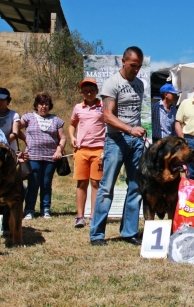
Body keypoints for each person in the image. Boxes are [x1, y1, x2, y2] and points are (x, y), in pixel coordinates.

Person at [90, 47, 146, 246]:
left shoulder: (140, 84)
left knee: (136, 186)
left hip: (136, 143)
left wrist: (137, 131)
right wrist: (130, 130)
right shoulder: (112, 83)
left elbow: (136, 112)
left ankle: (129, 232)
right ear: (123, 61)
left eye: (139, 66)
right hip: (116, 141)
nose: (136, 70)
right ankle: (97, 234)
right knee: (106, 188)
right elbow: (107, 116)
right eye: (133, 65)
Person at [19, 93, 66, 220]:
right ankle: (29, 209)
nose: (43, 107)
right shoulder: (28, 117)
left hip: (50, 158)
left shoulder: (56, 120)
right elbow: (16, 127)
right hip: (33, 156)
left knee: (46, 183)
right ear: (36, 105)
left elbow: (62, 138)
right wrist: (25, 139)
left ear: (50, 106)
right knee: (33, 183)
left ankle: (46, 209)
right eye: (40, 104)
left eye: (46, 104)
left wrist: (59, 150)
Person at [69, 78, 105, 228]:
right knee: (82, 182)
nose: (88, 93)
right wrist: (72, 137)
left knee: (96, 183)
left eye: (91, 91)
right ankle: (79, 216)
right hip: (81, 150)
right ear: (82, 92)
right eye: (85, 91)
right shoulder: (78, 107)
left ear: (97, 91)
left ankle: (93, 216)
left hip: (99, 149)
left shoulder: (104, 106)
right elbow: (72, 124)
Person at [0, 88, 22, 152]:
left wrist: (0, 142)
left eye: (2, 99)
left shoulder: (14, 115)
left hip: (9, 150)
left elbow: (15, 134)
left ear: (8, 100)